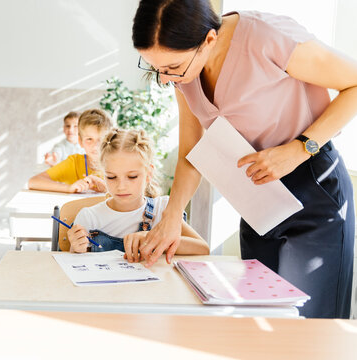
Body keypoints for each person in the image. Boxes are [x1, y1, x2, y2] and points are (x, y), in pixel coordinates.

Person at [132, 0, 357, 318]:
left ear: (209, 40)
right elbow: (189, 153)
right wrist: (172, 217)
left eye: (172, 69)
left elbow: (355, 83)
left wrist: (298, 149)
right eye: (156, 69)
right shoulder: (185, 71)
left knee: (305, 327)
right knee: (258, 322)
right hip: (257, 203)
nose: (166, 79)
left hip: (314, 193)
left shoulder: (267, 38)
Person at [68, 128, 208, 260]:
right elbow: (73, 263)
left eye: (132, 177)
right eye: (111, 177)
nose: (121, 187)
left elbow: (203, 249)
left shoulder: (164, 209)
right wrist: (75, 249)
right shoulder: (89, 217)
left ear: (149, 174)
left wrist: (152, 238)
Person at [28, 109, 112, 193]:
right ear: (80, 141)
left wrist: (108, 190)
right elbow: (33, 182)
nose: (95, 145)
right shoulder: (74, 163)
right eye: (89, 139)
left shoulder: (119, 162)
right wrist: (69, 188)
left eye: (101, 139)